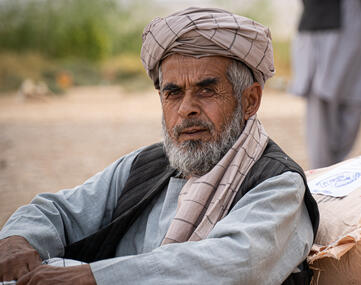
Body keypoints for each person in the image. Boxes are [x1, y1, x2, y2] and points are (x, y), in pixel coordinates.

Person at [0, 7, 319, 285]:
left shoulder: (276, 182)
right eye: (173, 93)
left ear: (249, 101)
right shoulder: (144, 164)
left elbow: (233, 265)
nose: (187, 109)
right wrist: (18, 239)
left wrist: (93, 278)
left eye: (206, 91)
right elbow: (59, 211)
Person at [290, 0, 361, 169]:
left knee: (353, 103)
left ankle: (333, 170)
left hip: (351, 22)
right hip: (320, 26)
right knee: (321, 105)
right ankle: (323, 175)